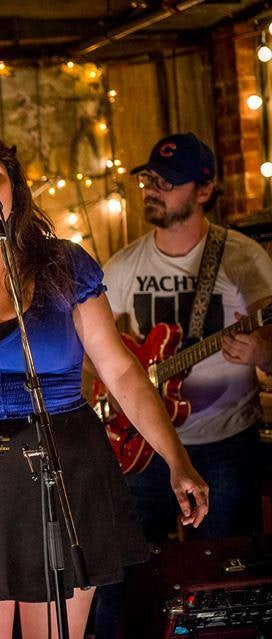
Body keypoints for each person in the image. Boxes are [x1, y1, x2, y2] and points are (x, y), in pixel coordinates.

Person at [0, 130, 208, 639]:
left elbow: (120, 371)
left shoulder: (64, 265)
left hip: (64, 471)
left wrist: (176, 459)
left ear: (14, 192)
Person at [92, 133, 272, 638]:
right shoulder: (124, 266)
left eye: (167, 182)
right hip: (143, 447)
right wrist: (103, 399)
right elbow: (97, 356)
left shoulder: (242, 257)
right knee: (123, 575)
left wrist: (261, 351)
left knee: (225, 583)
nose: (153, 189)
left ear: (205, 188)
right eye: (149, 179)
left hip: (223, 449)